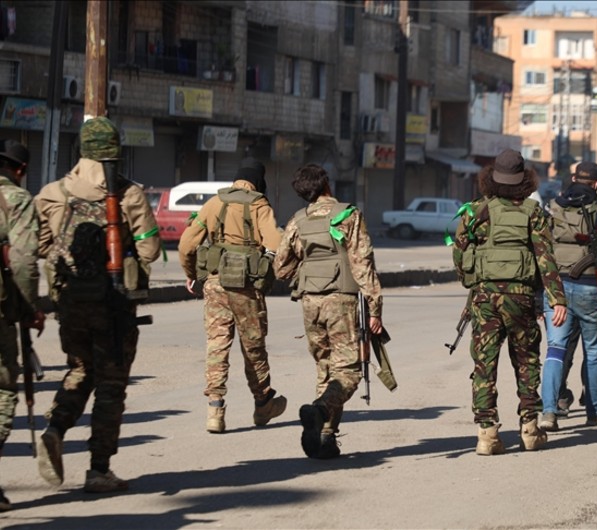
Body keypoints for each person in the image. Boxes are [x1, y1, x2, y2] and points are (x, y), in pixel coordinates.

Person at [34, 117, 160, 492]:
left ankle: (55, 428)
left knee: (79, 369)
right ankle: (99, 468)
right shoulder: (128, 194)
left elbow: (42, 246)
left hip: (71, 302)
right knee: (110, 384)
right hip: (114, 305)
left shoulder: (53, 192)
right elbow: (151, 249)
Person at [451, 149, 566, 455]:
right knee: (527, 361)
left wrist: (471, 282)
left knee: (484, 364)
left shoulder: (476, 211)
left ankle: (487, 435)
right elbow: (546, 259)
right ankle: (530, 430)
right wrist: (557, 299)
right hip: (522, 297)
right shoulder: (535, 213)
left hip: (485, 297)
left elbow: (460, 253)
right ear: (524, 180)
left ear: (490, 178)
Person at [274, 164, 383, 459]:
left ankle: (326, 439)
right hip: (342, 301)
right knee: (348, 371)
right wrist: (375, 307)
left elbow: (281, 268)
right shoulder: (348, 214)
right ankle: (320, 411)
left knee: (324, 366)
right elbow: (362, 262)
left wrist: (306, 277)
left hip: (310, 302)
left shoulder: (298, 220)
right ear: (327, 185)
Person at [178, 158, 286, 434]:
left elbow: (187, 243)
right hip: (246, 288)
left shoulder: (214, 203)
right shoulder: (259, 204)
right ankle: (263, 404)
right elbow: (276, 243)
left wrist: (191, 274)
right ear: (257, 182)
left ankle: (215, 410)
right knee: (253, 347)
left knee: (217, 345)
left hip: (215, 284)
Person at [539, 162, 597, 430]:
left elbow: (541, 251)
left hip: (556, 288)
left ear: (573, 178)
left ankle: (548, 411)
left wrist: (542, 291)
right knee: (594, 351)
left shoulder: (552, 208)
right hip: (590, 289)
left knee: (555, 350)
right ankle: (595, 411)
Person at [0, 140, 43, 510]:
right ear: (21, 170)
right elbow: (25, 262)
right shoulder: (16, 200)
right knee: (2, 394)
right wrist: (30, 308)